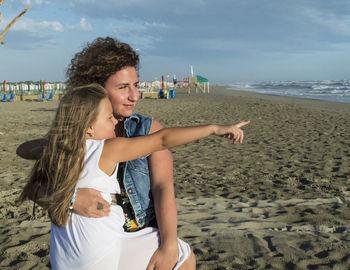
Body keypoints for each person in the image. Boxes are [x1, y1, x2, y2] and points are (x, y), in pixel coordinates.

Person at [19, 84, 249, 269]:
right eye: (109, 118)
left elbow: (23, 150)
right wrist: (213, 129)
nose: (114, 122)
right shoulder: (104, 149)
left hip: (66, 258)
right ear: (88, 127)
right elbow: (162, 139)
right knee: (182, 255)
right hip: (99, 254)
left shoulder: (58, 152)